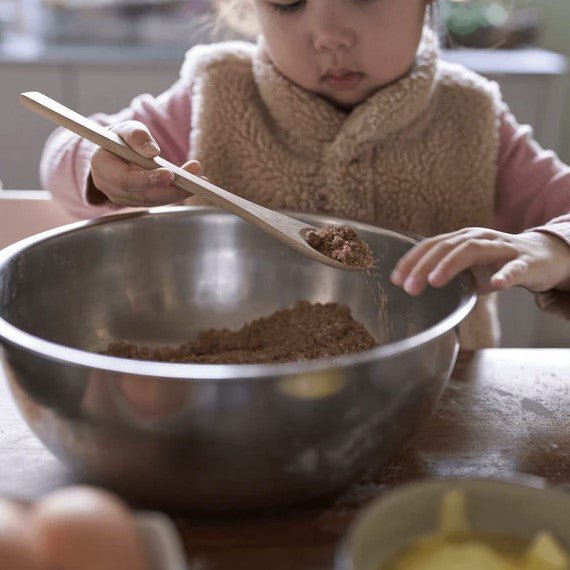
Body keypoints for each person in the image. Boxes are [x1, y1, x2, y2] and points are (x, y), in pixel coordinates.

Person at [40, 0, 570, 349]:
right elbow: (66, 152)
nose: (330, 35)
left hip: (434, 403)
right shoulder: (217, 94)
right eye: (290, 1)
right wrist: (100, 167)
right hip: (242, 403)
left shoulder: (471, 116)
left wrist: (554, 248)